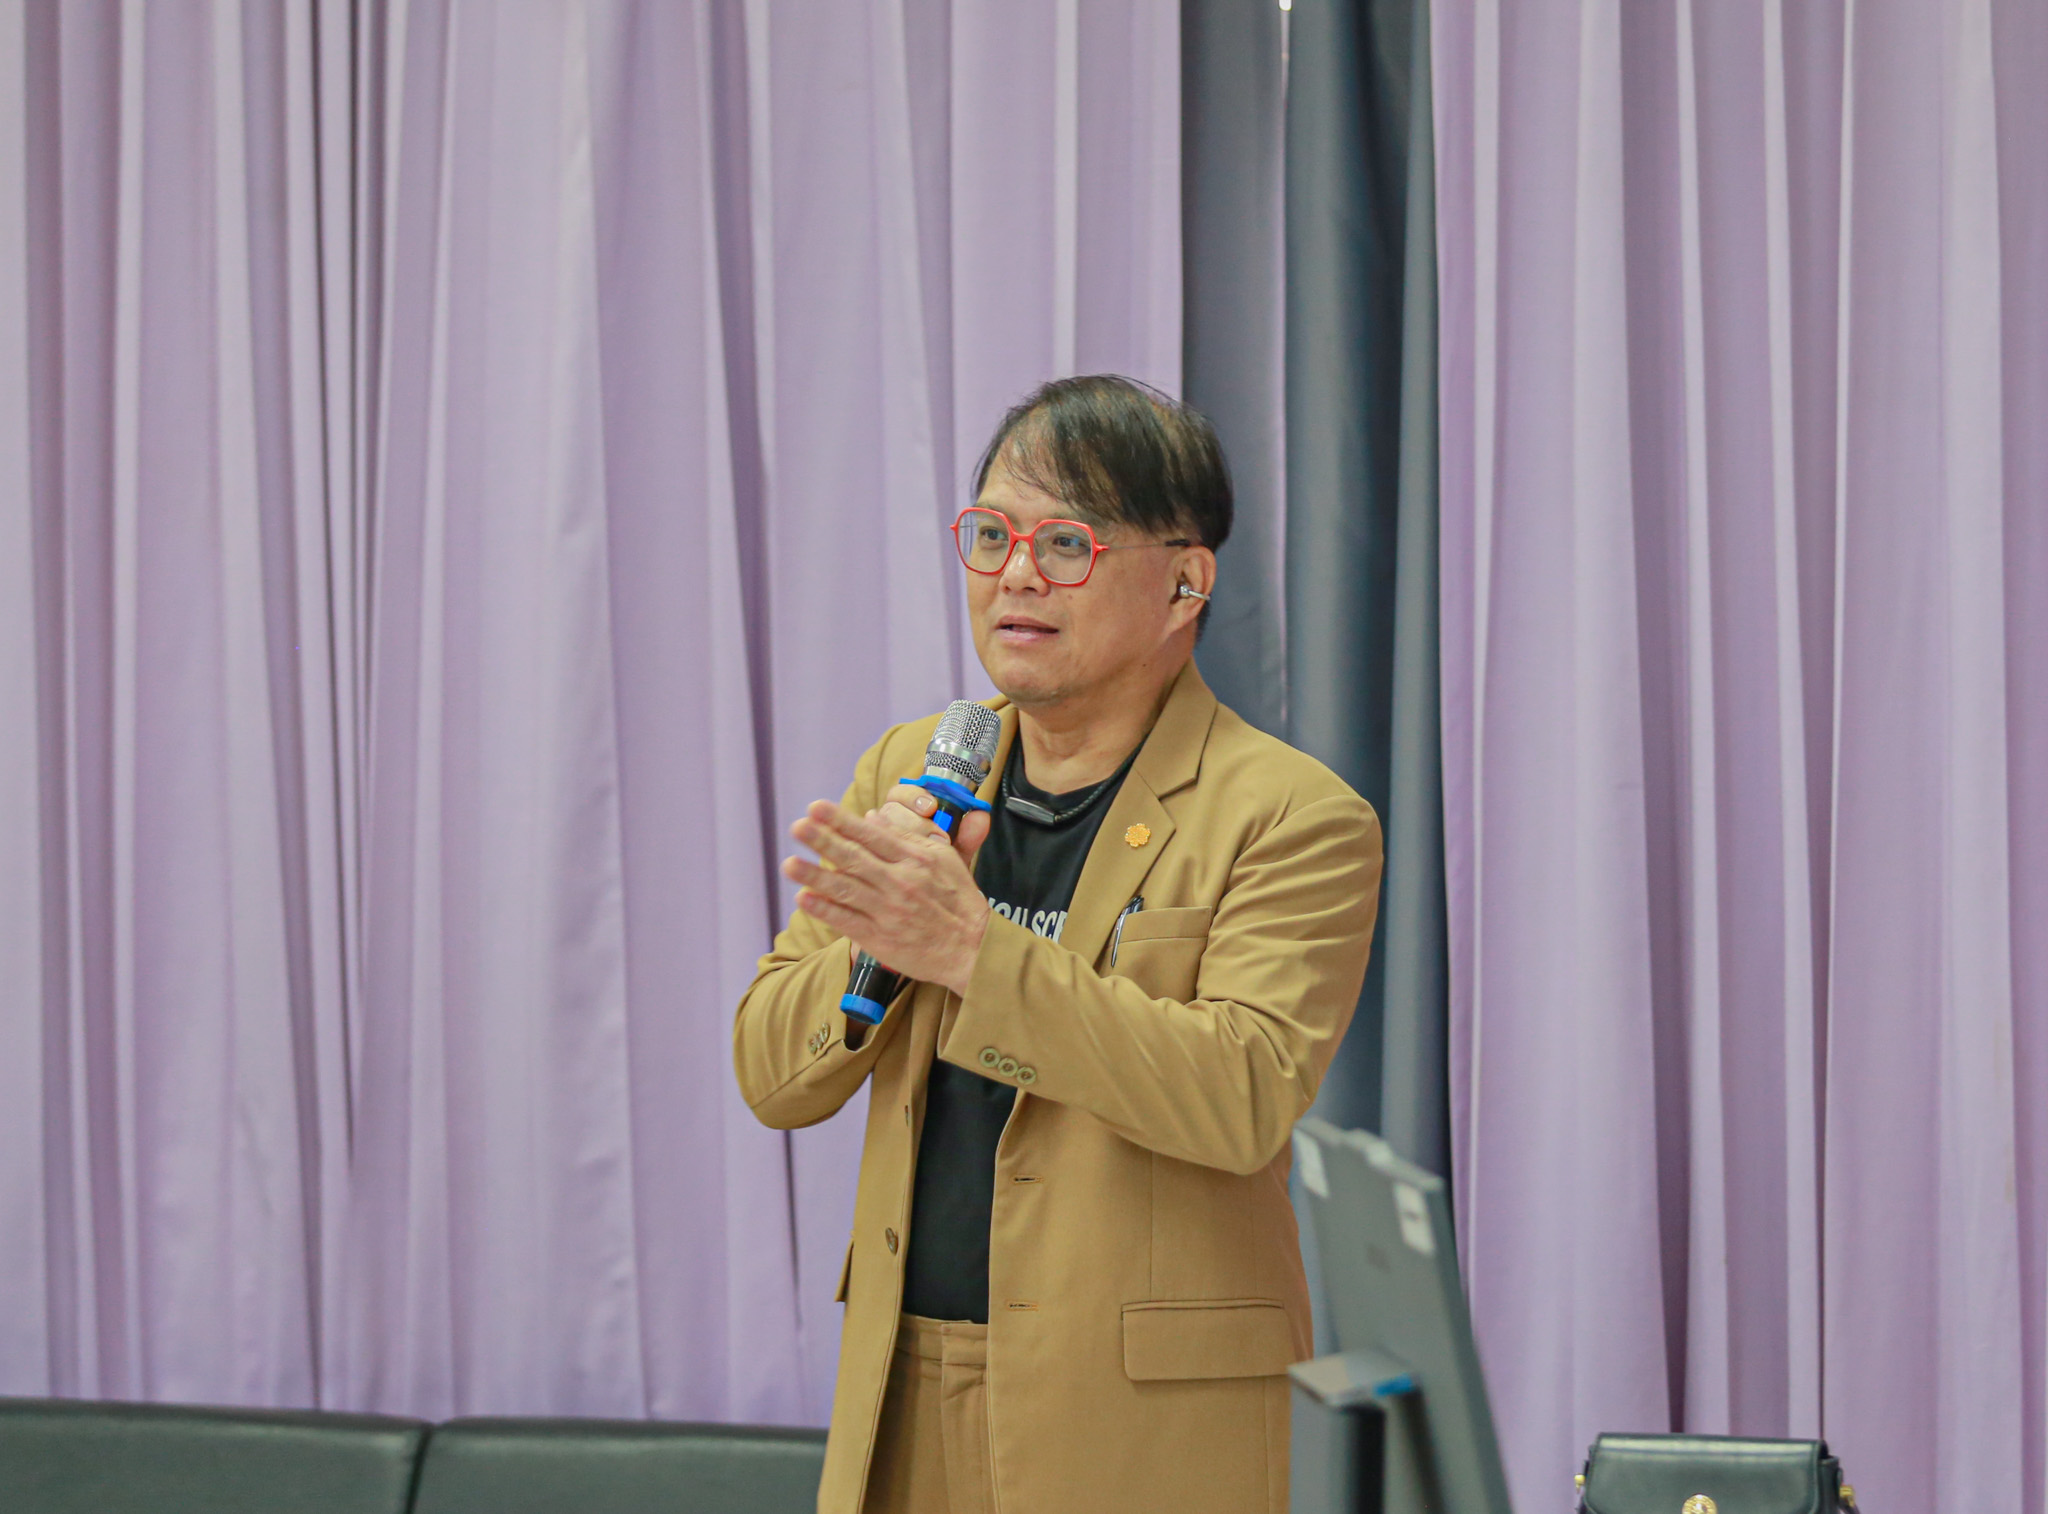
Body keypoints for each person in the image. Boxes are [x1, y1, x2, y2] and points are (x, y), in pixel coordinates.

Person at [732, 376, 1383, 1514]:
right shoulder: (914, 769)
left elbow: (1240, 1094)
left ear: (1185, 582)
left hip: (1142, 1423)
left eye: (1067, 543)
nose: (1016, 574)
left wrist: (971, 952)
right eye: (991, 536)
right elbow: (773, 1077)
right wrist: (878, 946)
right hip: (906, 1380)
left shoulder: (1290, 815)